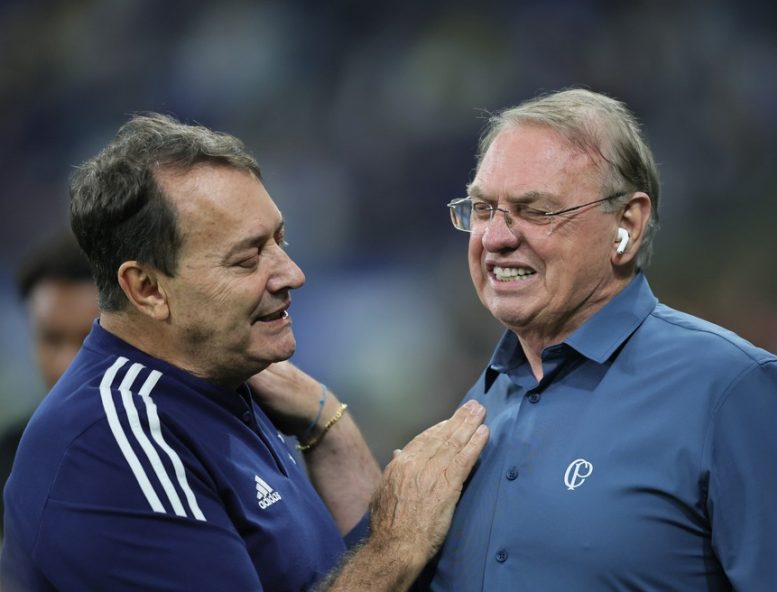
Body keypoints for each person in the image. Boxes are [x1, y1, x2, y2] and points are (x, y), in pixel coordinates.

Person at [1, 113, 489, 591]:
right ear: (147, 288)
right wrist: (397, 544)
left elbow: (329, 572)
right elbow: (376, 562)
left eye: (279, 240)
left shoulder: (223, 380)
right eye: (247, 258)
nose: (291, 273)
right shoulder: (113, 444)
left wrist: (328, 425)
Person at [420, 89, 777, 590]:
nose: (494, 238)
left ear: (626, 225)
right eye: (484, 208)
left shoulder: (730, 389)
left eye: (534, 210)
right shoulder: (475, 410)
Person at [0, 231, 99, 537]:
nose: (66, 363)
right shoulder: (9, 462)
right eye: (51, 339)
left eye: (89, 339)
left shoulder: (181, 450)